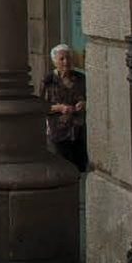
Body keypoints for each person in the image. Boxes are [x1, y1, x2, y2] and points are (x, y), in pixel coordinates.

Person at [41, 43, 88, 172]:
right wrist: (60, 108)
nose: (66, 62)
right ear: (54, 61)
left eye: (68, 58)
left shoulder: (80, 78)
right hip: (58, 133)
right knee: (61, 169)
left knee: (78, 168)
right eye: (61, 59)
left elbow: (91, 98)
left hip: (78, 131)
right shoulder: (48, 80)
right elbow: (41, 106)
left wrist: (84, 104)